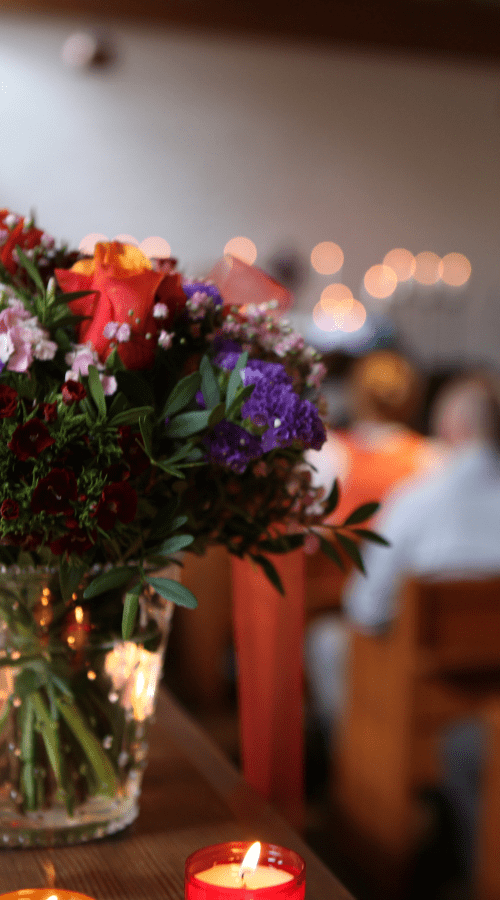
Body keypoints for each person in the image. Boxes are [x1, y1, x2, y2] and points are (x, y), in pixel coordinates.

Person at [304, 349, 442, 729]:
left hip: (337, 599)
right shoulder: (433, 461)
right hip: (409, 606)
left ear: (356, 395)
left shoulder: (328, 456)